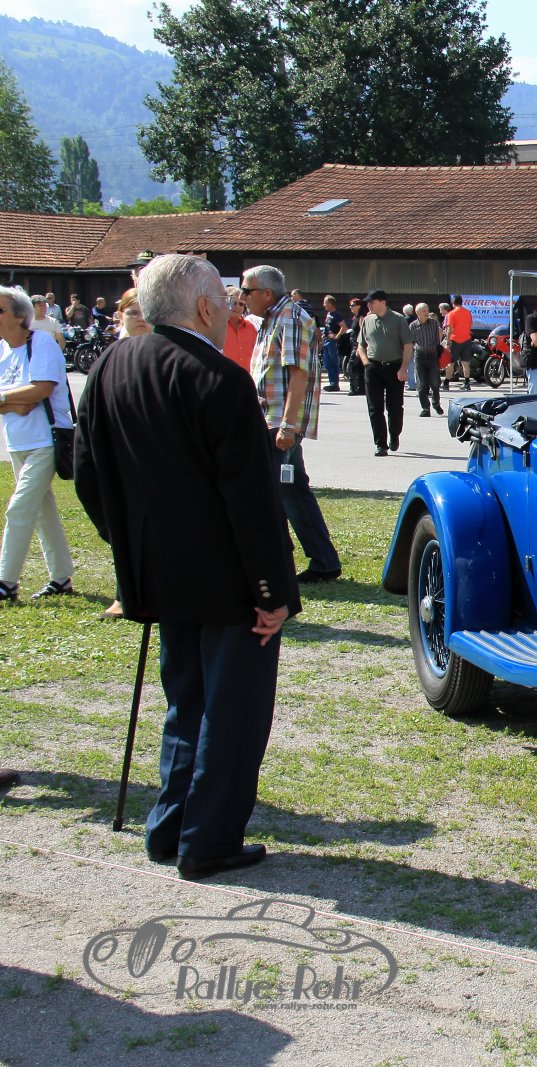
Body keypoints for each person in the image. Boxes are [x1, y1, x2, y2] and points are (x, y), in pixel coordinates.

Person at [75, 253, 298, 880]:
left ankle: (171, 826)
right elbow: (251, 501)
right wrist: (272, 591)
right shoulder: (218, 378)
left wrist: (130, 547)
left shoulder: (110, 365)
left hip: (161, 573)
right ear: (203, 307)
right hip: (229, 580)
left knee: (186, 704)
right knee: (232, 713)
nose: (231, 308)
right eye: (224, 300)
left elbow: (87, 475)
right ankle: (208, 840)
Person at [243, 265, 342, 583]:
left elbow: (298, 373)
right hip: (270, 419)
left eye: (247, 291)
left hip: (279, 422)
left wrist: (287, 424)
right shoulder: (273, 317)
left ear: (266, 293)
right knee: (291, 490)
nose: (243, 297)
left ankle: (290, 562)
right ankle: (323, 561)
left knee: (280, 492)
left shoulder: (289, 317)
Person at [0, 286, 76, 602]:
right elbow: (22, 398)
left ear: (20, 316)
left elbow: (41, 389)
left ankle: (5, 582)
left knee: (19, 508)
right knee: (42, 511)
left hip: (46, 440)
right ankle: (61, 577)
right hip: (17, 441)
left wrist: (7, 399)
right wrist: (13, 400)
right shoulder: (2, 350)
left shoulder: (41, 342)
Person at [357, 289, 412, 454]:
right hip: (373, 367)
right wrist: (366, 364)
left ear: (383, 302)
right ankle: (381, 444)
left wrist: (403, 368)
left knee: (395, 407)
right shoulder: (367, 320)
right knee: (375, 408)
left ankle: (394, 434)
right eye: (368, 303)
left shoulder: (398, 319)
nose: (369, 305)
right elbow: (361, 346)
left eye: (372, 302)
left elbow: (408, 346)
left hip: (394, 367)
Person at [410, 301, 445, 416]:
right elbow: (411, 341)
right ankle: (425, 409)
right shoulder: (413, 325)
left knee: (435, 382)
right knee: (421, 383)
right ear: (418, 313)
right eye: (424, 311)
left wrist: (437, 347)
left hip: (432, 354)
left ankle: (436, 404)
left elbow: (438, 336)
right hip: (419, 355)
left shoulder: (434, 323)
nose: (426, 312)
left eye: (427, 310)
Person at [444, 294, 474, 391]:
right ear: (462, 302)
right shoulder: (468, 312)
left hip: (455, 340)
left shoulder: (451, 314)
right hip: (467, 340)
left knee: (451, 362)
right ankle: (467, 383)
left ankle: (446, 383)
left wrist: (448, 343)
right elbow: (470, 325)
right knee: (465, 362)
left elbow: (449, 330)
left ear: (453, 303)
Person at [223, 286, 256, 371]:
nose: (237, 307)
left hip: (248, 377)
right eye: (234, 303)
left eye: (241, 304)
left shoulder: (251, 328)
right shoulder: (217, 327)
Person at [320, 295, 346, 393]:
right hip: (326, 341)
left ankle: (335, 384)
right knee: (327, 363)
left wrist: (337, 336)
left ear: (330, 304)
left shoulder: (336, 315)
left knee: (334, 362)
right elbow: (327, 327)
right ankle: (332, 383)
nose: (324, 305)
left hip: (332, 342)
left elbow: (344, 327)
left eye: (325, 303)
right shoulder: (328, 314)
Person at [344, 297, 368, 396]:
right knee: (358, 367)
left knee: (352, 366)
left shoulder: (361, 317)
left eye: (353, 305)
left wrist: (359, 346)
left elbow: (362, 333)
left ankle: (354, 388)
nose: (351, 307)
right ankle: (360, 388)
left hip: (357, 346)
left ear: (359, 306)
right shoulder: (356, 317)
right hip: (353, 344)